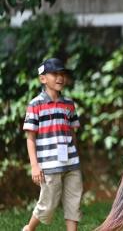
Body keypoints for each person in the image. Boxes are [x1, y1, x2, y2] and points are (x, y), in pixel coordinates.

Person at [22, 58, 83, 231]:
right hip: (49, 164)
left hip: (72, 163)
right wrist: (35, 165)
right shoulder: (35, 105)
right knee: (48, 203)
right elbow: (30, 137)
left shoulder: (69, 104)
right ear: (43, 79)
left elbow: (72, 132)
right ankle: (29, 228)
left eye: (62, 74)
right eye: (55, 74)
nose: (60, 77)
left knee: (74, 200)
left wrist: (75, 153)